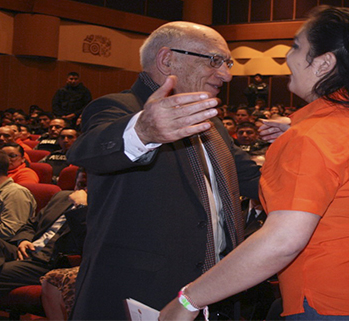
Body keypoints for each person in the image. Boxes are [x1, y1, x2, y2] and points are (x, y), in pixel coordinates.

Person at [159, 6, 349, 321]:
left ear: (323, 63)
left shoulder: (313, 137)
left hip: (341, 308)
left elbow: (281, 242)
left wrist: (188, 301)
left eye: (296, 47)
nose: (287, 58)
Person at [65, 20, 262, 320]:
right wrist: (142, 131)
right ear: (167, 59)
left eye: (228, 63)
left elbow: (256, 180)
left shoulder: (213, 125)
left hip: (215, 297)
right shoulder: (119, 108)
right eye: (215, 60)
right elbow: (89, 151)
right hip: (141, 296)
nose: (226, 74)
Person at [0, 169, 87, 320]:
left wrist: (82, 208)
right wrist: (24, 240)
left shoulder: (103, 210)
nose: (84, 190)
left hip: (48, 261)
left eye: (90, 186)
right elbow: (31, 225)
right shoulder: (61, 197)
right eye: (81, 184)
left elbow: (85, 243)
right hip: (26, 250)